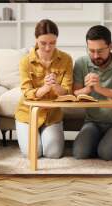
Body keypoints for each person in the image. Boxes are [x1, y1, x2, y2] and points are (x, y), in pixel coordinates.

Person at [72, 25, 112, 161]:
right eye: (91, 51)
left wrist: (100, 89)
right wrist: (88, 89)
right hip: (93, 121)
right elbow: (75, 93)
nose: (96, 56)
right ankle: (110, 141)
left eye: (100, 51)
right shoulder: (81, 63)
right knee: (79, 153)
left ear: (111, 46)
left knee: (106, 153)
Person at [14, 19, 73, 158]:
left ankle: (44, 135)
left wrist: (55, 86)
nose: (48, 47)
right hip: (28, 114)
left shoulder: (66, 59)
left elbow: (67, 92)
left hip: (52, 116)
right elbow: (27, 93)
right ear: (36, 40)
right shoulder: (25, 61)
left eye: (52, 43)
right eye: (43, 43)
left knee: (53, 153)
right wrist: (45, 88)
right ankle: (33, 135)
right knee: (33, 153)